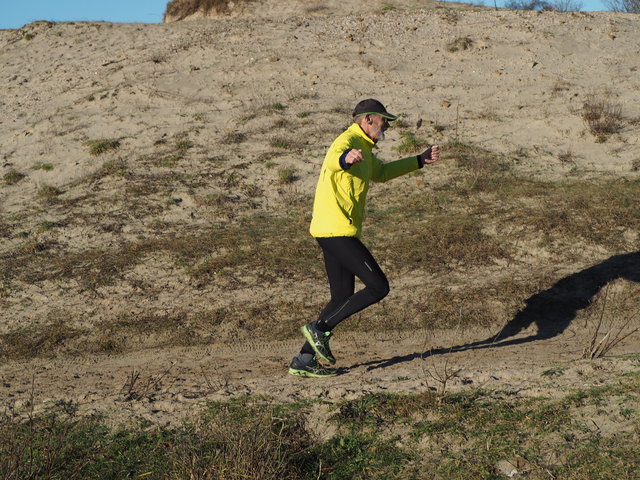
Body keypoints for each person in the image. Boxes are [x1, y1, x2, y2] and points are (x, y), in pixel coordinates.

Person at [288, 98, 440, 377]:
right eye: (384, 121)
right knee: (378, 286)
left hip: (330, 230)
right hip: (336, 231)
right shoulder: (347, 140)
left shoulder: (366, 150)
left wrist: (419, 161)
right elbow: (335, 159)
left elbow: (380, 174)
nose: (388, 126)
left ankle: (303, 359)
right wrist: (344, 160)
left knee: (341, 297)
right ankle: (318, 330)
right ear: (368, 119)